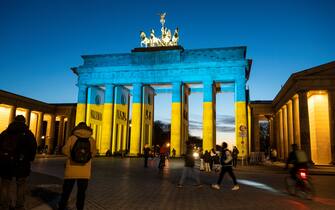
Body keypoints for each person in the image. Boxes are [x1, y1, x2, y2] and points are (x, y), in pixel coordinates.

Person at [0, 115, 37, 210]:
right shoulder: (28, 134)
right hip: (22, 163)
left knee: (5, 184)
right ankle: (19, 206)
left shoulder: (5, 132)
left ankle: (4, 205)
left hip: (6, 162)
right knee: (21, 184)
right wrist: (30, 159)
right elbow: (33, 148)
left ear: (14, 121)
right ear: (24, 122)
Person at [58, 122, 97, 210]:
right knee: (81, 193)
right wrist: (87, 157)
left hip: (71, 169)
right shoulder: (91, 139)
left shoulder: (72, 138)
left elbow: (64, 150)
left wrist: (72, 156)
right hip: (84, 170)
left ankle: (62, 207)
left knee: (66, 191)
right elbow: (94, 152)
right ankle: (79, 208)